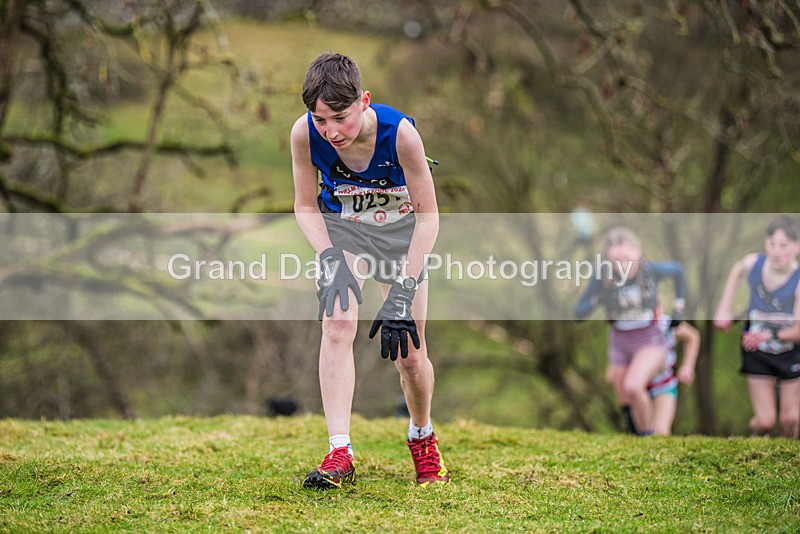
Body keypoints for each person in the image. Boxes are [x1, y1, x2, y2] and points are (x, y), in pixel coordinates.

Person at [290, 53, 449, 488]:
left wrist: (403, 288)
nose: (332, 132)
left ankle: (422, 436)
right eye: (321, 120)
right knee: (337, 323)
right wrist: (328, 256)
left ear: (364, 100)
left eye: (340, 118)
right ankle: (339, 452)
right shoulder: (305, 134)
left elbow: (429, 217)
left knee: (411, 356)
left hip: (402, 239)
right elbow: (305, 206)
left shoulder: (402, 136)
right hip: (345, 233)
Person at [574, 226, 686, 436]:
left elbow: (678, 271)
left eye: (627, 258)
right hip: (619, 341)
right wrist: (598, 299)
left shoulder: (650, 271)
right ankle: (639, 435)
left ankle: (648, 438)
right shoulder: (603, 277)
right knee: (625, 397)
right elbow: (578, 312)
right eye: (616, 261)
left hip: (650, 338)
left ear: (638, 251)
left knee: (634, 385)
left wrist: (679, 309)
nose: (623, 266)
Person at [713, 215, 800, 438]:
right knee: (765, 421)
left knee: (790, 420)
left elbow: (798, 332)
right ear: (765, 243)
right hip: (756, 350)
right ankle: (753, 437)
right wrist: (724, 308)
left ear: (797, 247)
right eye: (772, 244)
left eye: (784, 246)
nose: (777, 251)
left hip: (790, 353)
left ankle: (781, 461)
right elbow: (737, 268)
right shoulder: (754, 264)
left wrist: (769, 334)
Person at [646, 315, 700, 435]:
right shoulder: (628, 324)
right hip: (639, 388)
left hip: (664, 384)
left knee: (660, 431)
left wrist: (688, 366)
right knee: (645, 430)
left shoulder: (665, 323)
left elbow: (693, 336)